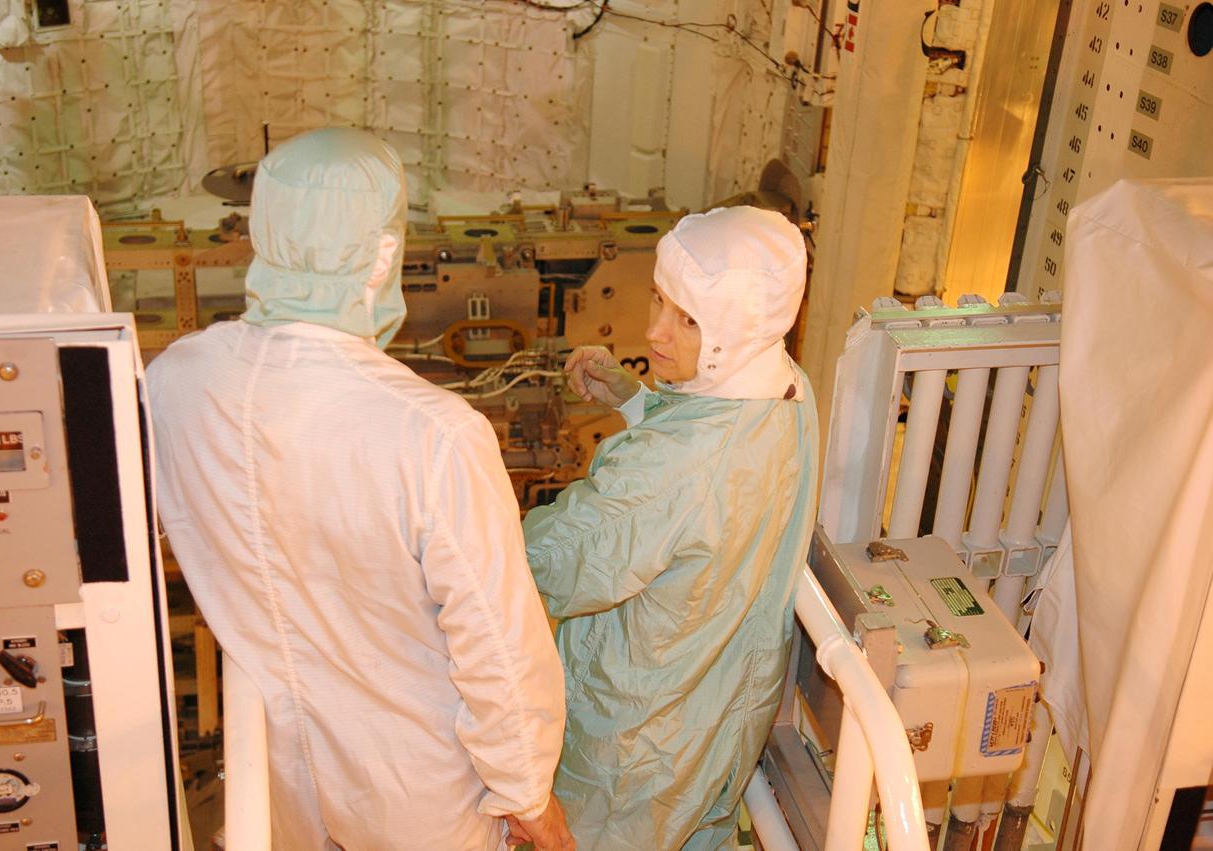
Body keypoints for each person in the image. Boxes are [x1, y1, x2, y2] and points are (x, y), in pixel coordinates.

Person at [147, 128, 573, 851]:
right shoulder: (435, 434)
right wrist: (530, 794)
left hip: (280, 777)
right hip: (418, 794)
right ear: (383, 255)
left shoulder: (175, 382)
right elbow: (498, 645)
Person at [520, 206, 818, 850]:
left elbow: (540, 564)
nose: (654, 332)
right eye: (659, 299)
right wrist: (634, 399)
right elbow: (709, 479)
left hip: (631, 761)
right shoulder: (790, 391)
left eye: (688, 320)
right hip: (715, 726)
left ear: (733, 333)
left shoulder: (669, 471)